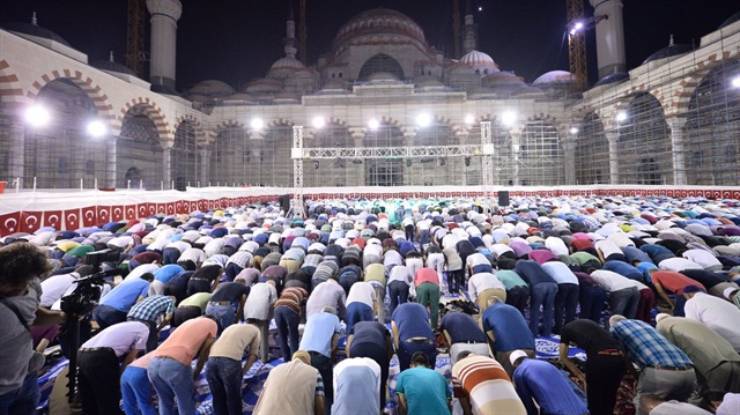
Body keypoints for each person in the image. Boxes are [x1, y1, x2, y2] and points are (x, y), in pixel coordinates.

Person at [0, 243, 55, 414]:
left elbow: (32, 313)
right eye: (13, 285)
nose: (20, 289)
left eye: (24, 284)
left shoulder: (31, 287)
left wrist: (63, 316)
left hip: (26, 379)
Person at [609, 315, 696, 415]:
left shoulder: (616, 328)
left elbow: (622, 357)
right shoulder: (644, 325)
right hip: (689, 371)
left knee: (643, 406)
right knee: (677, 411)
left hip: (661, 373)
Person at [655, 313, 740, 407]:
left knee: (698, 406)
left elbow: (673, 358)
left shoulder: (662, 326)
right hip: (734, 361)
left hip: (714, 368)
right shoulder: (689, 322)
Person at [148, 316, 217, 415]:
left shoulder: (189, 321)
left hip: (153, 362)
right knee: (185, 403)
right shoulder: (212, 324)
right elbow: (205, 353)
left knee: (165, 401)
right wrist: (196, 372)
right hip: (175, 364)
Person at [77, 321, 150, 414]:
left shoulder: (124, 326)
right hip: (100, 357)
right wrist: (120, 377)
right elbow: (130, 359)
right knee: (108, 399)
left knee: (89, 399)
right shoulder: (145, 330)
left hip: (81, 353)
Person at [558, 319, 625, 415]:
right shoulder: (592, 326)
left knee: (595, 401)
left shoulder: (565, 330)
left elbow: (563, 357)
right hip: (619, 358)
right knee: (609, 399)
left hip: (600, 359)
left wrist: (580, 375)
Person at [510, 350, 589, 415]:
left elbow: (527, 402)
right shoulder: (546, 364)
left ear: (514, 364)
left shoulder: (519, 372)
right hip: (581, 409)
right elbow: (570, 385)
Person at [206, 323, 261, 415]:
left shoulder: (230, 326)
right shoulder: (256, 331)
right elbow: (253, 355)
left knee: (218, 397)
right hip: (230, 362)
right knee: (233, 398)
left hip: (211, 360)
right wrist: (243, 372)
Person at [452, 353, 526, 415]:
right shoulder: (495, 362)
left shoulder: (457, 366)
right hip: (519, 411)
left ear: (460, 359)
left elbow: (462, 399)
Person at [252, 351, 325, 415]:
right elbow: (320, 405)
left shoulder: (274, 370)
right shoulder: (315, 373)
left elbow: (262, 397)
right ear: (308, 363)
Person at [299, 306, 341, 414]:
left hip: (302, 356)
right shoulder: (335, 318)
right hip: (321, 357)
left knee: (306, 387)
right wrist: (331, 354)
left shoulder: (312, 317)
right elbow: (335, 342)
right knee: (326, 390)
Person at [481, 299, 535, 375]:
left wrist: (496, 356)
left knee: (508, 379)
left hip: (506, 350)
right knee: (530, 377)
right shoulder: (514, 309)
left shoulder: (488, 312)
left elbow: (489, 338)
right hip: (529, 347)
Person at [346, 321, 393, 409]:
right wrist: (385, 364)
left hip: (357, 348)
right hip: (377, 348)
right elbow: (390, 347)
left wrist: (351, 361)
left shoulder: (356, 326)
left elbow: (348, 346)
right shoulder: (382, 327)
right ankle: (380, 409)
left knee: (357, 382)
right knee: (381, 383)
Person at [514, 260, 558, 337]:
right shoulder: (535, 263)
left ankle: (533, 333)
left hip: (538, 285)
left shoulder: (518, 266)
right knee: (548, 310)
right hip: (553, 284)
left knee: (535, 310)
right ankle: (547, 333)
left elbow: (521, 281)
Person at [391, 302, 436, 371]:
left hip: (408, 345)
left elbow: (395, 333)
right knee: (430, 371)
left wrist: (398, 350)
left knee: (406, 373)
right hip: (428, 343)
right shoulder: (423, 308)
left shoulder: (396, 312)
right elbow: (429, 326)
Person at [243, 280, 277, 361]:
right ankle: (264, 358)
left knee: (250, 335)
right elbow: (274, 302)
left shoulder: (255, 286)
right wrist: (270, 316)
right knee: (263, 336)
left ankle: (249, 356)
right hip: (261, 312)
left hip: (248, 311)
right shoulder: (272, 287)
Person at [541, 260, 580, 333]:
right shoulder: (562, 263)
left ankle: (558, 329)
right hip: (575, 282)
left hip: (561, 282)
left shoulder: (543, 266)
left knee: (559, 307)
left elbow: (544, 278)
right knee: (571, 308)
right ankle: (570, 330)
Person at [273, 286, 309, 361]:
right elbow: (304, 307)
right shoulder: (304, 292)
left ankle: (286, 359)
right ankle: (294, 359)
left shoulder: (286, 290)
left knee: (282, 336)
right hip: (290, 308)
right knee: (293, 336)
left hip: (277, 308)